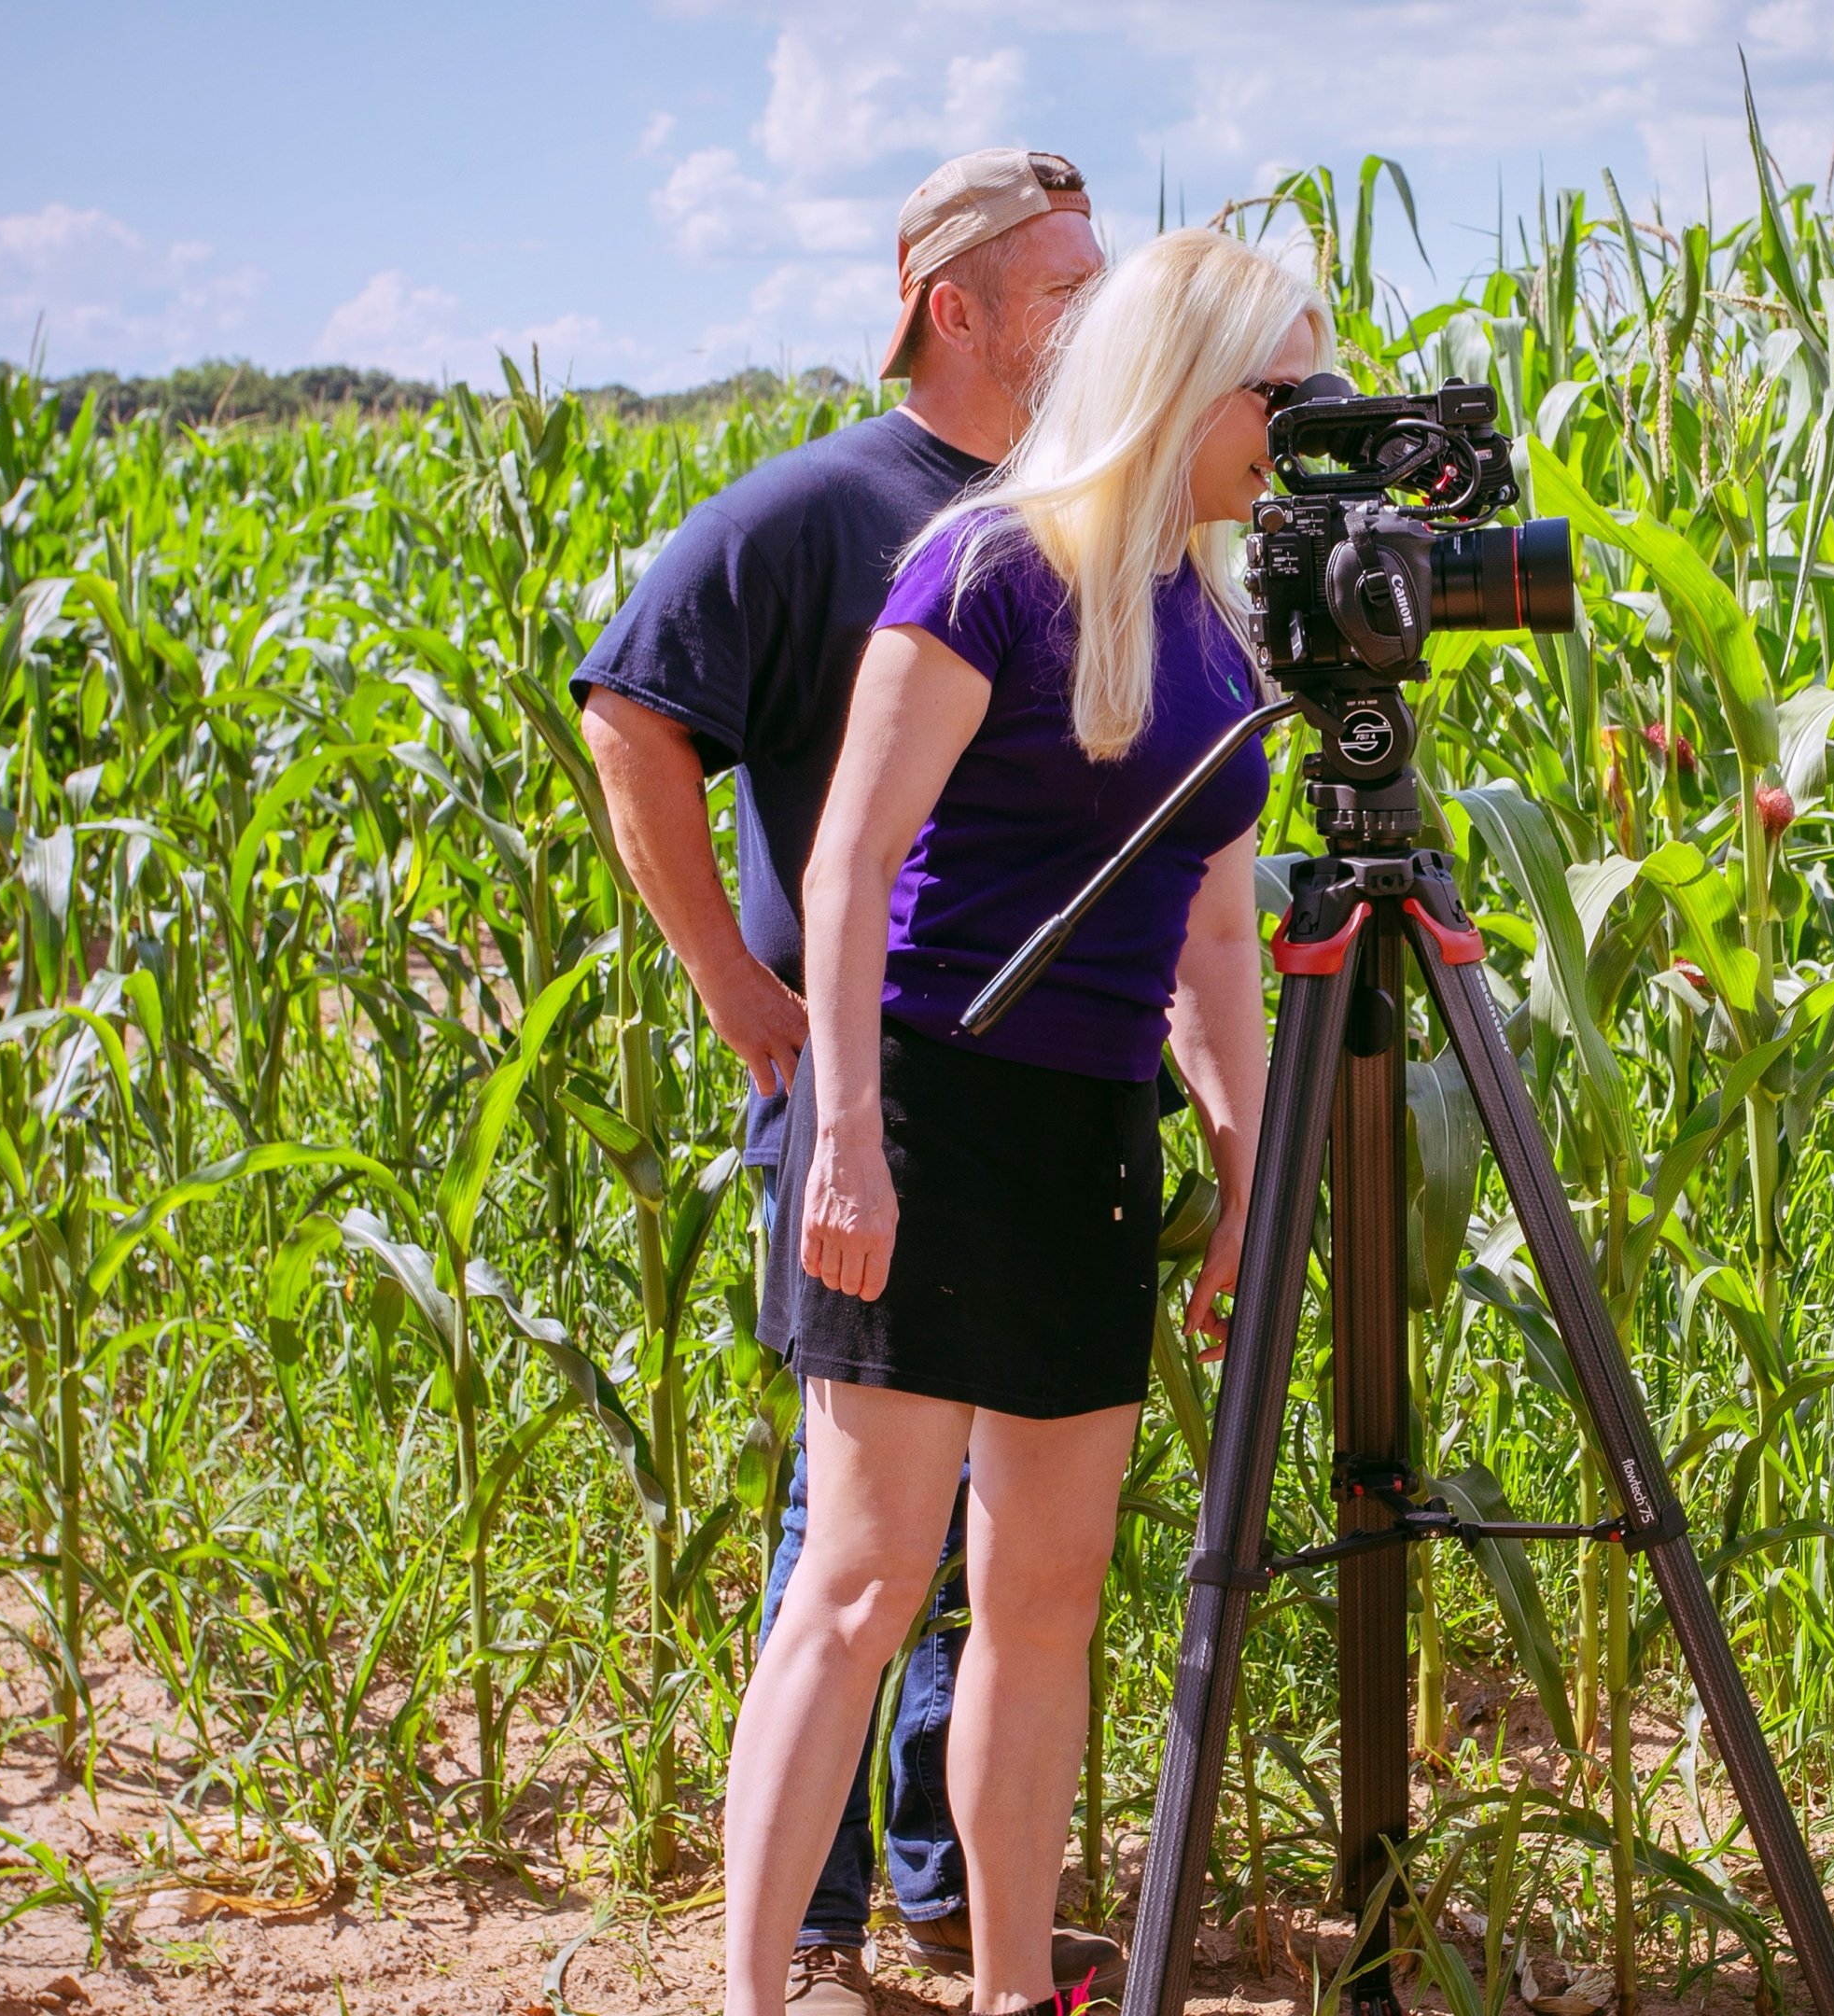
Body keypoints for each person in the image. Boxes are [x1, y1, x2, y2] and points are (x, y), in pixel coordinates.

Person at [723, 229, 1323, 2016]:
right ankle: (753, 1994)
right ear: (1185, 378)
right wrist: (848, 1140)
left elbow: (1216, 936)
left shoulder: (1214, 625)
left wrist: (1241, 1175)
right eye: (1278, 394)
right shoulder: (984, 568)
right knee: (862, 1582)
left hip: (1084, 1138)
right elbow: (850, 861)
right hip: (929, 1100)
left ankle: (1003, 1990)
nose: (1297, 432)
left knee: (1043, 1605)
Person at [572, 150, 1109, 2016]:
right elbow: (631, 708)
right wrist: (729, 975)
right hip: (870, 1096)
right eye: (1063, 290)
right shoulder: (821, 511)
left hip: (1037, 1098)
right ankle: (795, 1935)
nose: (1096, 318)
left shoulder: (1079, 514)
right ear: (953, 307)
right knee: (858, 1538)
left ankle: (938, 1895)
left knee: (989, 1538)